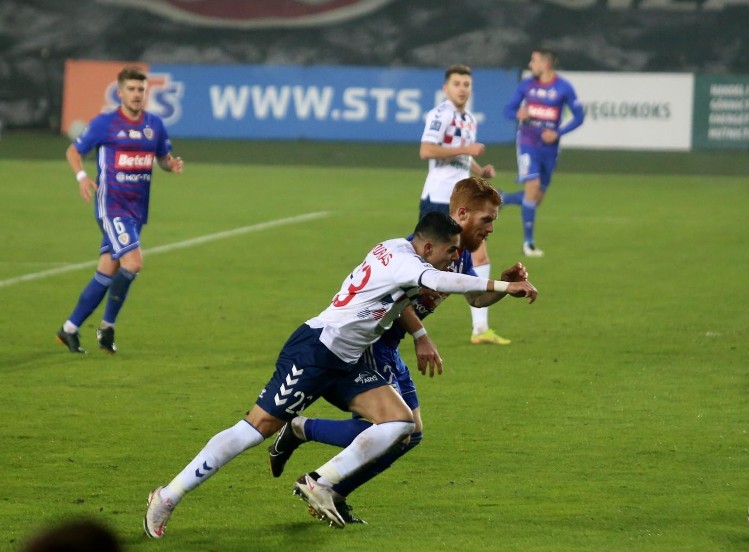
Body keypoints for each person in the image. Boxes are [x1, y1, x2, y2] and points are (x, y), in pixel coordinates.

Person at [144, 212, 537, 537]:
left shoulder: (397, 248)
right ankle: (168, 495)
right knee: (254, 428)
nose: (455, 258)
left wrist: (480, 297)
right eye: (451, 251)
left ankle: (320, 481)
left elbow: (441, 286)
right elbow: (438, 281)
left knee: (401, 424)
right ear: (429, 246)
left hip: (349, 360)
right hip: (316, 350)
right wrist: (505, 284)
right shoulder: (409, 262)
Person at [268, 177, 528, 523]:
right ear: (463, 213)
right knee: (395, 429)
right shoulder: (424, 245)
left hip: (390, 346)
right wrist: (421, 335)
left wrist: (505, 288)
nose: (492, 227)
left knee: (408, 434)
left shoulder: (460, 254)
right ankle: (307, 443)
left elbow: (476, 298)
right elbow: (396, 291)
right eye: (487, 219)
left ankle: (330, 485)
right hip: (372, 340)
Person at [55, 66, 184, 354]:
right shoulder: (105, 123)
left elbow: (162, 158)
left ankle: (69, 329)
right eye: (132, 89)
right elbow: (74, 151)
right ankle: (107, 328)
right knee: (133, 263)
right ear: (121, 91)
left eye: (141, 89)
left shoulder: (155, 125)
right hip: (111, 206)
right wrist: (81, 177)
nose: (137, 94)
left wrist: (170, 165)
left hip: (137, 209)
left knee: (107, 271)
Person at [419, 64, 509, 345]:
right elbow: (427, 150)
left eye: (466, 84)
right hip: (437, 198)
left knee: (478, 256)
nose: (462, 89)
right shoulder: (439, 115)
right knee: (427, 265)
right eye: (457, 84)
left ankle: (480, 330)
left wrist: (479, 169)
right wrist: (466, 149)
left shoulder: (469, 118)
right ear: (446, 89)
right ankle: (396, 316)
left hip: (461, 201)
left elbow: (461, 155)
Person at [502, 48, 584, 258]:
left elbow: (578, 116)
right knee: (533, 187)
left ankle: (502, 199)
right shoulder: (526, 85)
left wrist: (558, 132)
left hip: (549, 148)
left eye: (534, 60)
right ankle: (528, 244)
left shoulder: (563, 87)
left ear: (546, 64)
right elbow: (508, 110)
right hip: (528, 141)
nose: (530, 64)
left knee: (536, 198)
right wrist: (518, 113)